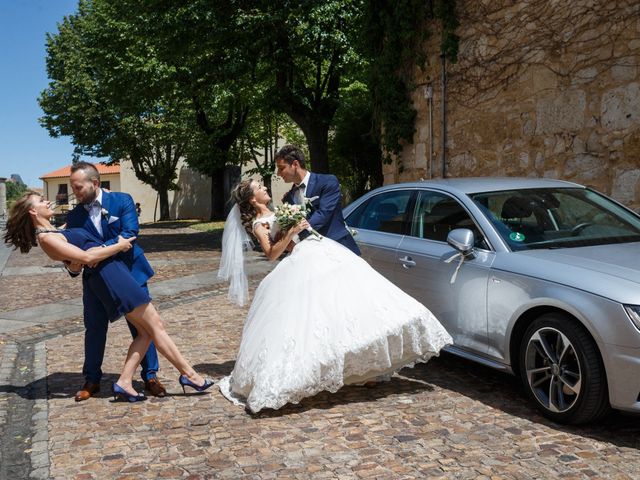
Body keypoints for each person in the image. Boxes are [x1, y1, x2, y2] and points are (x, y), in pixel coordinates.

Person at [217, 179, 453, 413]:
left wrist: (297, 229)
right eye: (260, 187)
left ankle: (363, 367)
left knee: (345, 306)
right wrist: (292, 232)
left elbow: (289, 242)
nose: (265, 187)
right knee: (312, 321)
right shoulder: (260, 224)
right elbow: (271, 254)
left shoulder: (278, 209)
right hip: (302, 263)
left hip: (319, 251)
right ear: (251, 198)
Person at [4, 192, 214, 402]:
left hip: (113, 272)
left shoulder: (56, 230)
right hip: (110, 277)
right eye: (41, 201)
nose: (47, 201)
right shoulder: (46, 238)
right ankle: (190, 375)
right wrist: (118, 246)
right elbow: (85, 258)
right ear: (32, 210)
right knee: (155, 326)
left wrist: (83, 258)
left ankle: (124, 382)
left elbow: (77, 259)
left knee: (146, 332)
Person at [66, 161, 164, 401]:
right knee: (94, 327)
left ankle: (150, 375)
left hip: (130, 274)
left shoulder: (122, 201)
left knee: (143, 328)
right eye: (73, 188)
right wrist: (74, 265)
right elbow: (71, 248)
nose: (75, 193)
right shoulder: (75, 215)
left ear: (95, 183)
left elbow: (130, 233)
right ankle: (92, 379)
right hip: (95, 280)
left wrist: (96, 253)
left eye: (78, 188)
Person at [276, 144, 361, 255]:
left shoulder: (327, 182)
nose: (278, 173)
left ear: (295, 164)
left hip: (338, 247)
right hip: (310, 253)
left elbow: (323, 214)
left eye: (281, 168)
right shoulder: (289, 197)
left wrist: (295, 235)